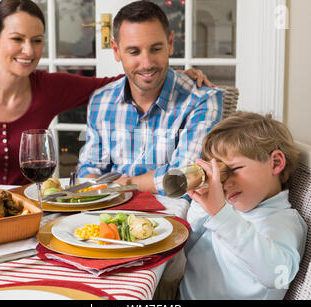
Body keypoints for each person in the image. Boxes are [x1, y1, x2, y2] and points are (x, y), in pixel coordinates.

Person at [0, 0, 211, 186]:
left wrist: (175, 74)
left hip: (31, 212)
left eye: (37, 40)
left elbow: (122, 77)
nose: (29, 51)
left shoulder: (48, 87)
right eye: (17, 39)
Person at [77, 1, 223, 195]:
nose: (146, 64)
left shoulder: (202, 100)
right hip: (110, 214)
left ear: (170, 44)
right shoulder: (101, 101)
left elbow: (184, 178)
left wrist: (125, 182)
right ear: (116, 50)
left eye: (155, 49)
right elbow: (89, 169)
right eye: (134, 51)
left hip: (173, 219)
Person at [178, 111, 307, 300]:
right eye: (221, 173)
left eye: (236, 169)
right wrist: (204, 199)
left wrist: (220, 213)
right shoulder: (230, 209)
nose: (225, 182)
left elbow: (277, 276)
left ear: (276, 163)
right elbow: (188, 247)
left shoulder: (283, 222)